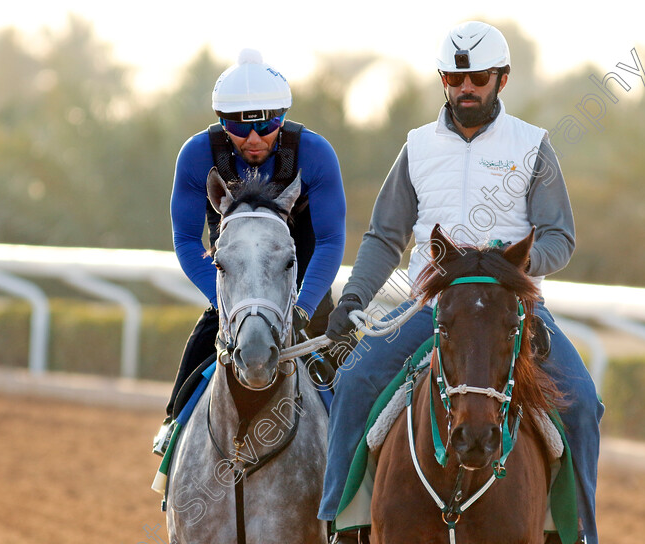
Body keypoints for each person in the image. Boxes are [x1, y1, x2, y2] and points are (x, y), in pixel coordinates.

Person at [320, 21, 603, 544]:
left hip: (511, 309)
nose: (465, 88)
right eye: (454, 77)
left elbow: (560, 237)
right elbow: (385, 235)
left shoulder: (533, 145)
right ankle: (339, 522)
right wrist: (354, 297)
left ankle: (580, 531)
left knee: (583, 401)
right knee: (354, 381)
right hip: (430, 306)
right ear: (443, 80)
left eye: (477, 78)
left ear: (501, 78)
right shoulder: (417, 147)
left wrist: (510, 269)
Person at [152, 48, 346, 453]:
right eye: (239, 129)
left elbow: (329, 241)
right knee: (206, 338)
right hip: (235, 281)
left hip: (303, 277)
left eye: (268, 125)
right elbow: (187, 241)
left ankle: (358, 446)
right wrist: (224, 301)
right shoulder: (195, 155)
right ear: (222, 124)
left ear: (283, 115)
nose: (255, 139)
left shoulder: (314, 152)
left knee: (355, 373)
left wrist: (303, 307)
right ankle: (175, 425)